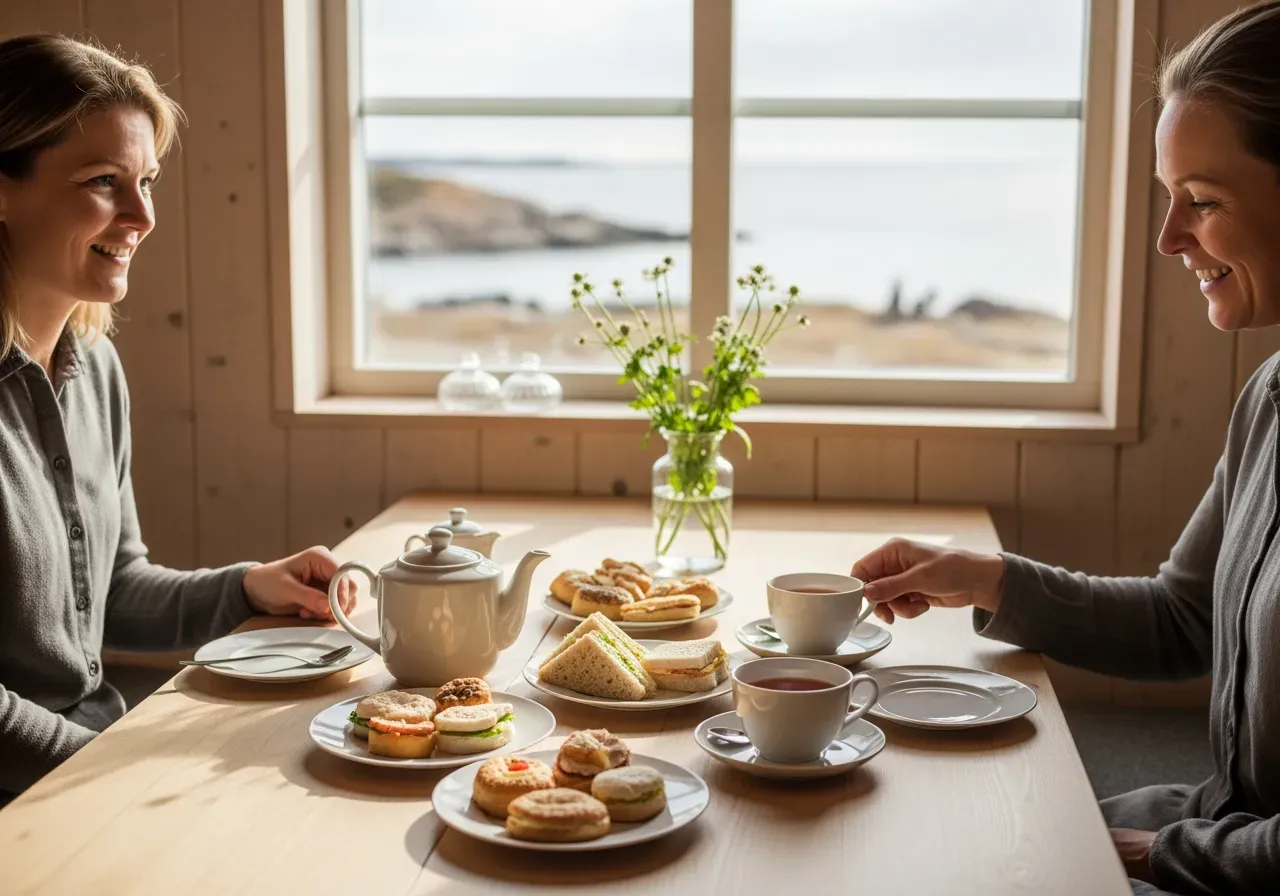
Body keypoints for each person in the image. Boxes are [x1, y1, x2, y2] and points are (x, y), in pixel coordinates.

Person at [852, 5, 1280, 894]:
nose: (1169, 237)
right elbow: (1184, 618)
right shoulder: (1270, 395)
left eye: (1202, 201)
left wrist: (1148, 854)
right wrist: (985, 578)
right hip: (1212, 829)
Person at [0, 35, 357, 802]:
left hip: (90, 768)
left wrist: (250, 588)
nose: (142, 216)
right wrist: (105, 771)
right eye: (104, 182)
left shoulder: (94, 368)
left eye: (147, 182)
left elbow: (113, 592)